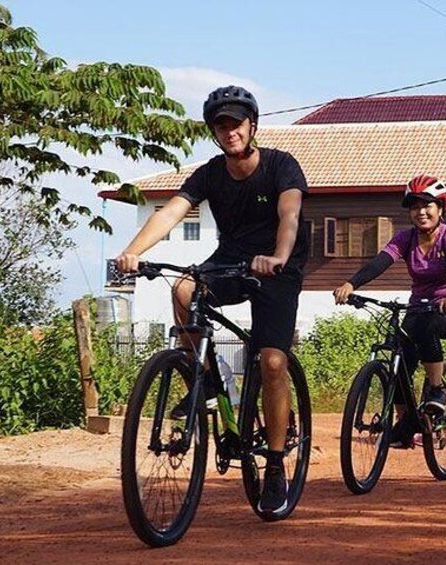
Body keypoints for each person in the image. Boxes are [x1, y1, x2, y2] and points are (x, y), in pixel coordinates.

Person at [115, 85, 309, 516]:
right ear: (215, 133)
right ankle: (202, 377)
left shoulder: (281, 165)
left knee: (272, 361)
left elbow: (290, 215)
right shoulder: (210, 173)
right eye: (221, 125)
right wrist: (133, 252)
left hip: (278, 265)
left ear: (251, 126)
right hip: (232, 259)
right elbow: (170, 211)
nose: (229, 132)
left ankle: (275, 466)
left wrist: (277, 257)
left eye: (236, 123)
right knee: (183, 287)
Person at [333, 175, 446, 448]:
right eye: (414, 207)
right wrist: (351, 284)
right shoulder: (405, 239)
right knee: (399, 358)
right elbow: (379, 263)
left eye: (427, 205)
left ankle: (437, 391)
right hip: (419, 306)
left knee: (426, 329)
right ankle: (406, 423)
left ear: (441, 208)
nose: (421, 212)